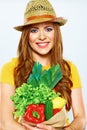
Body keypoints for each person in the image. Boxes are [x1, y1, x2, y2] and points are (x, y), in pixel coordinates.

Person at [0, 0, 86, 130]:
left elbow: (81, 118)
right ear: (26, 35)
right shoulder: (11, 68)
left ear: (56, 32)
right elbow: (5, 123)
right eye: (34, 30)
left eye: (48, 29)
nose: (42, 37)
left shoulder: (69, 68)